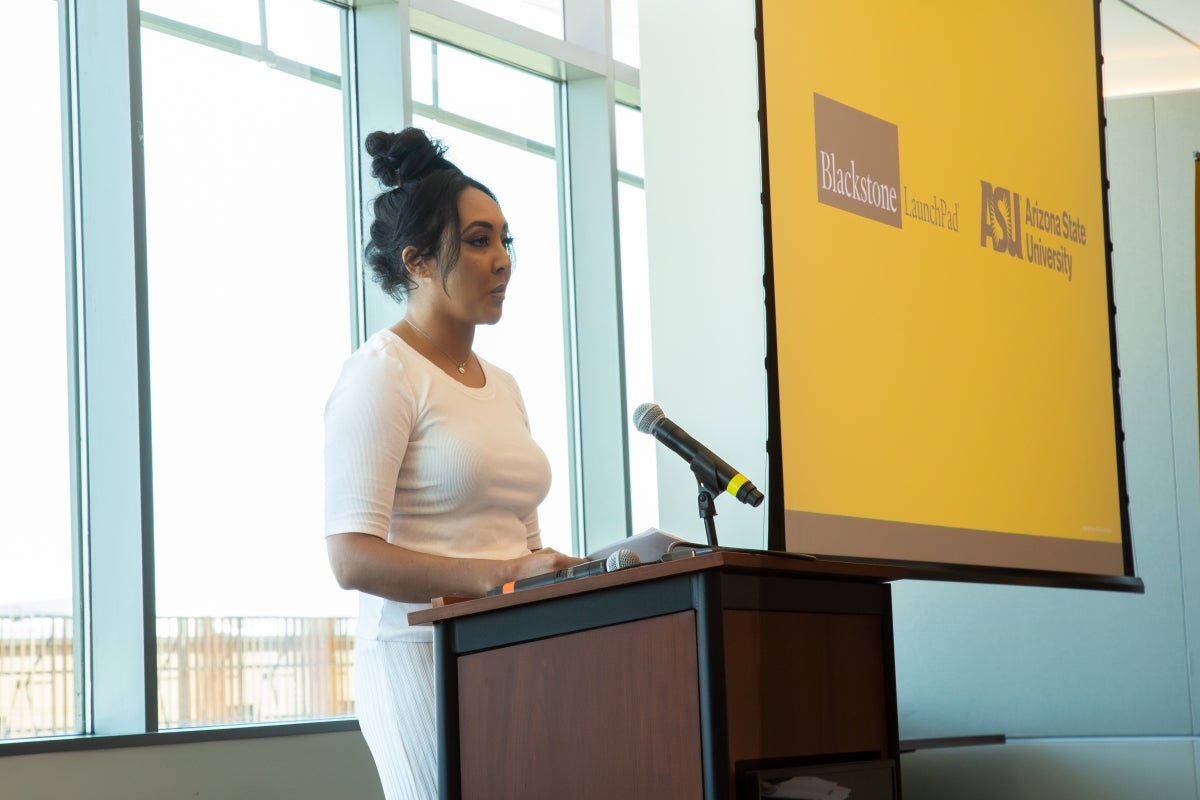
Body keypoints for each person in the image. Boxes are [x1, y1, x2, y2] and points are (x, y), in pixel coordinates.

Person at [323, 127, 584, 799]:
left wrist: (562, 574)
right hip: (419, 664)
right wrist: (502, 576)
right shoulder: (383, 374)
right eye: (478, 241)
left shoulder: (503, 384)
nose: (502, 261)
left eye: (505, 240)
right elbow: (352, 559)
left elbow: (521, 544)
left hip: (514, 657)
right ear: (414, 262)